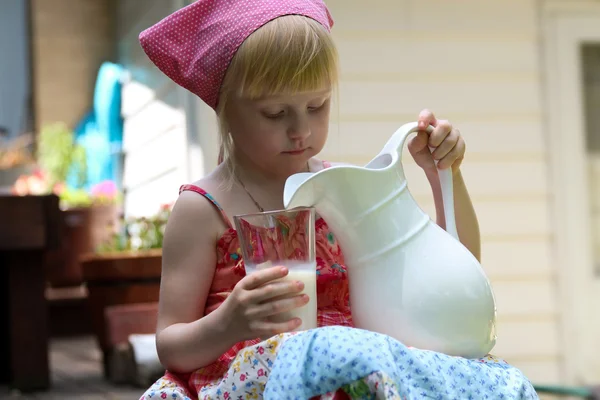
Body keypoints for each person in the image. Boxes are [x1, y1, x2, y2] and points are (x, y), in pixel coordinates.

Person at [138, 1, 537, 399]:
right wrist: (227, 323)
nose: (300, 130)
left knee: (491, 380)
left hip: (351, 376)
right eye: (275, 113)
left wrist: (443, 175)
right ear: (224, 106)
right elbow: (170, 343)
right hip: (254, 384)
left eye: (317, 106)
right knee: (333, 353)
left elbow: (452, 273)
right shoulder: (203, 209)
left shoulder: (340, 188)